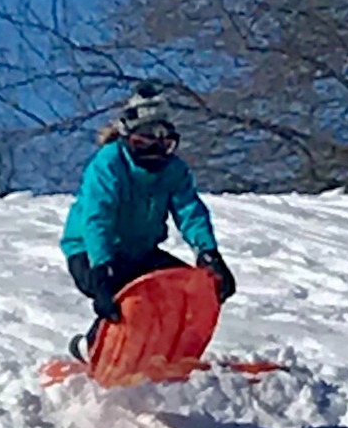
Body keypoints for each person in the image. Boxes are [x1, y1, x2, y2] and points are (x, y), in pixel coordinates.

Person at [60, 83, 236, 357]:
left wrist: (208, 253)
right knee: (128, 298)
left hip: (141, 252)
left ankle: (167, 352)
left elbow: (189, 209)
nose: (154, 151)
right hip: (92, 252)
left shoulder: (174, 170)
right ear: (127, 137)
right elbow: (97, 217)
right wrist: (102, 268)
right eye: (143, 143)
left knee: (189, 289)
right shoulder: (108, 164)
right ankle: (92, 346)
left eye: (163, 144)